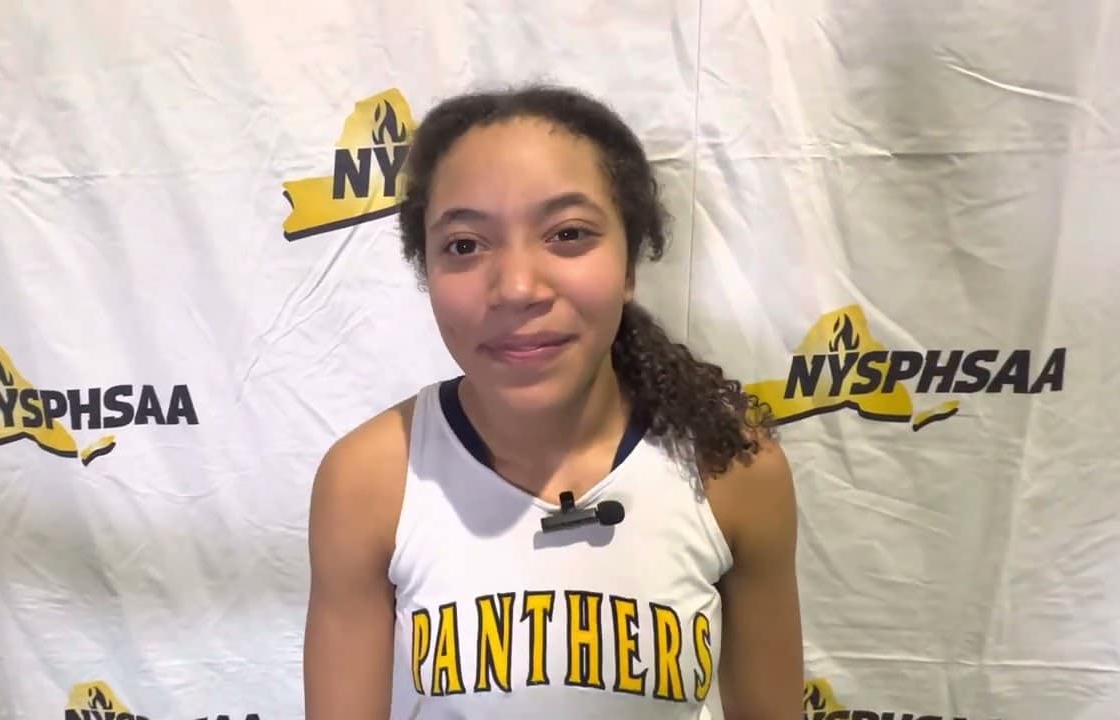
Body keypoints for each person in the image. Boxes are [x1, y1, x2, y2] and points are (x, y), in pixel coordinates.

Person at [304, 83, 803, 719]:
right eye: (464, 244)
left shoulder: (734, 468)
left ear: (629, 267)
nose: (516, 288)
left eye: (568, 234)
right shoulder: (368, 480)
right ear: (425, 270)